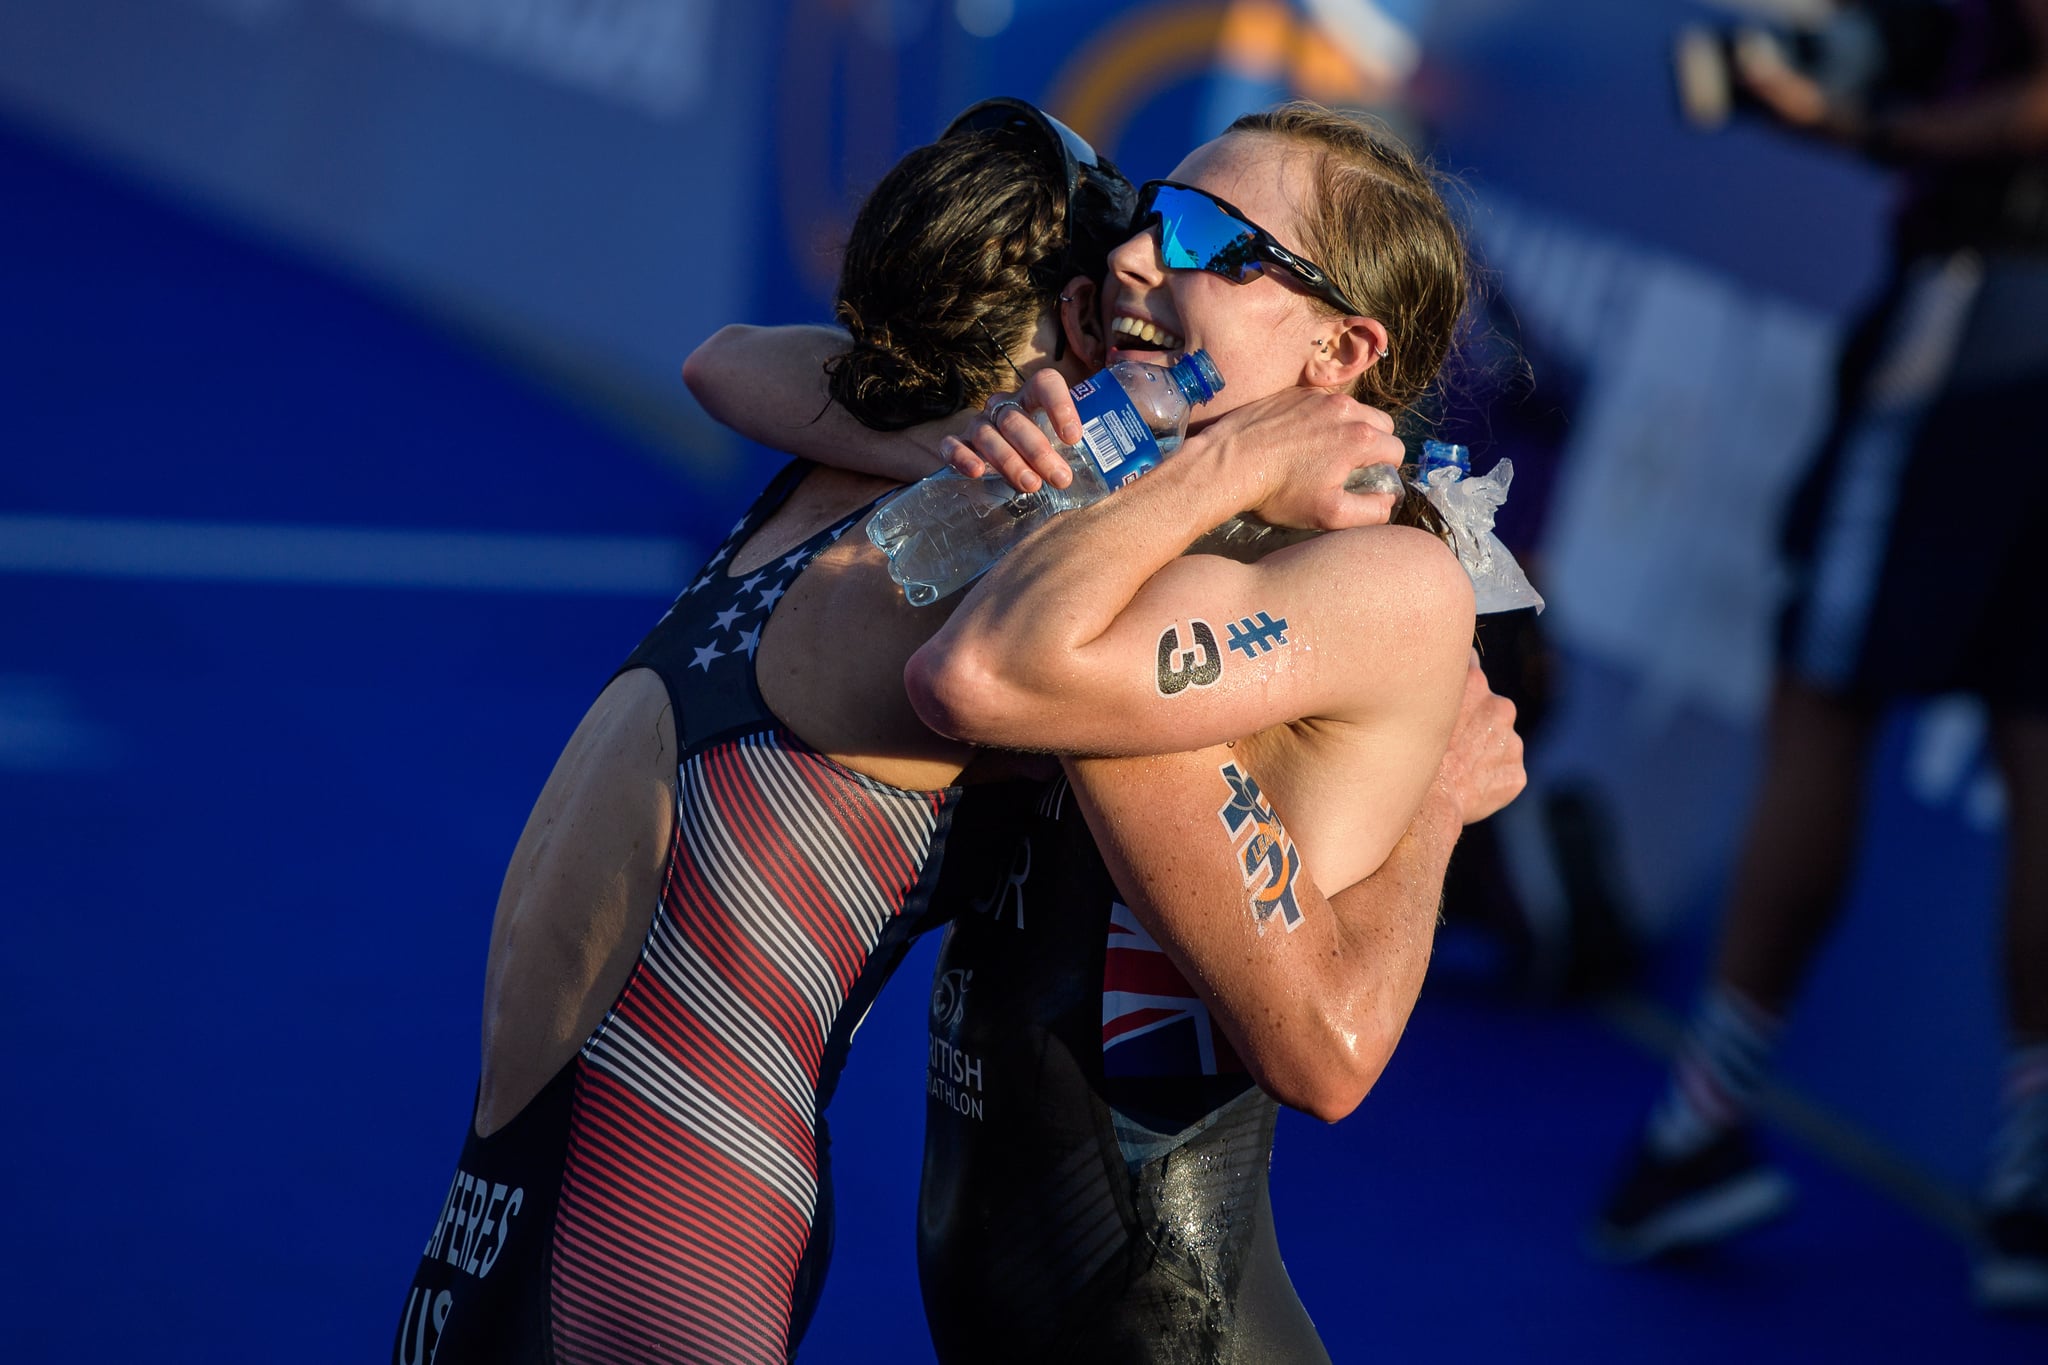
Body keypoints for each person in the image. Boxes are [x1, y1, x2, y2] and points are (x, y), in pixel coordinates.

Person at [393, 98, 1500, 1365]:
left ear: (1341, 347)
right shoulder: (1026, 532)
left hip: (583, 1237)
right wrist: (1082, 456)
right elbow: (741, 368)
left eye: (1201, 236)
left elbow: (745, 379)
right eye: (1138, 228)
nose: (1147, 257)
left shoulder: (1215, 582)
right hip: (686, 1253)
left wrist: (1433, 797)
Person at [1591, 0, 2048, 1314]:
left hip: (1982, 325)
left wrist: (1867, 123)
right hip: (1993, 311)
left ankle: (1701, 1124)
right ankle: (2031, 1183)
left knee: (1827, 693)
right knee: (2035, 726)